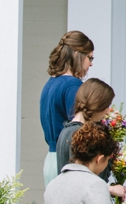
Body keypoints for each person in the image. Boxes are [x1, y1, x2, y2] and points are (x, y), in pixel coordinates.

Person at [40, 31, 94, 187]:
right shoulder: (73, 85)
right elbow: (79, 129)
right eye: (89, 58)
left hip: (51, 159)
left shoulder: (50, 83)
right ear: (77, 54)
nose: (91, 64)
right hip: (66, 161)